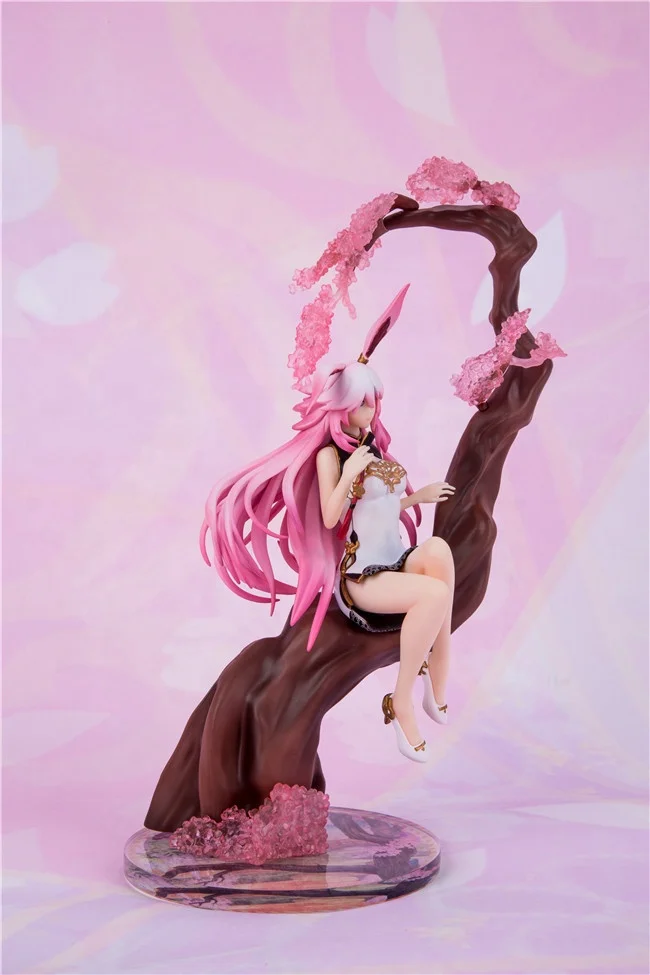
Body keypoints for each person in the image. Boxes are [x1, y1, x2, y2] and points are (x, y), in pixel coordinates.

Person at [200, 285, 455, 762]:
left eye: (374, 402)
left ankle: (437, 674)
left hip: (395, 559)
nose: (371, 411)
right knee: (434, 595)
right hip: (364, 578)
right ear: (341, 405)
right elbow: (333, 515)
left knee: (439, 549)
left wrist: (415, 498)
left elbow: (378, 508)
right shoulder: (330, 457)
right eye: (363, 403)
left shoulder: (372, 448)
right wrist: (351, 472)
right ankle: (400, 700)